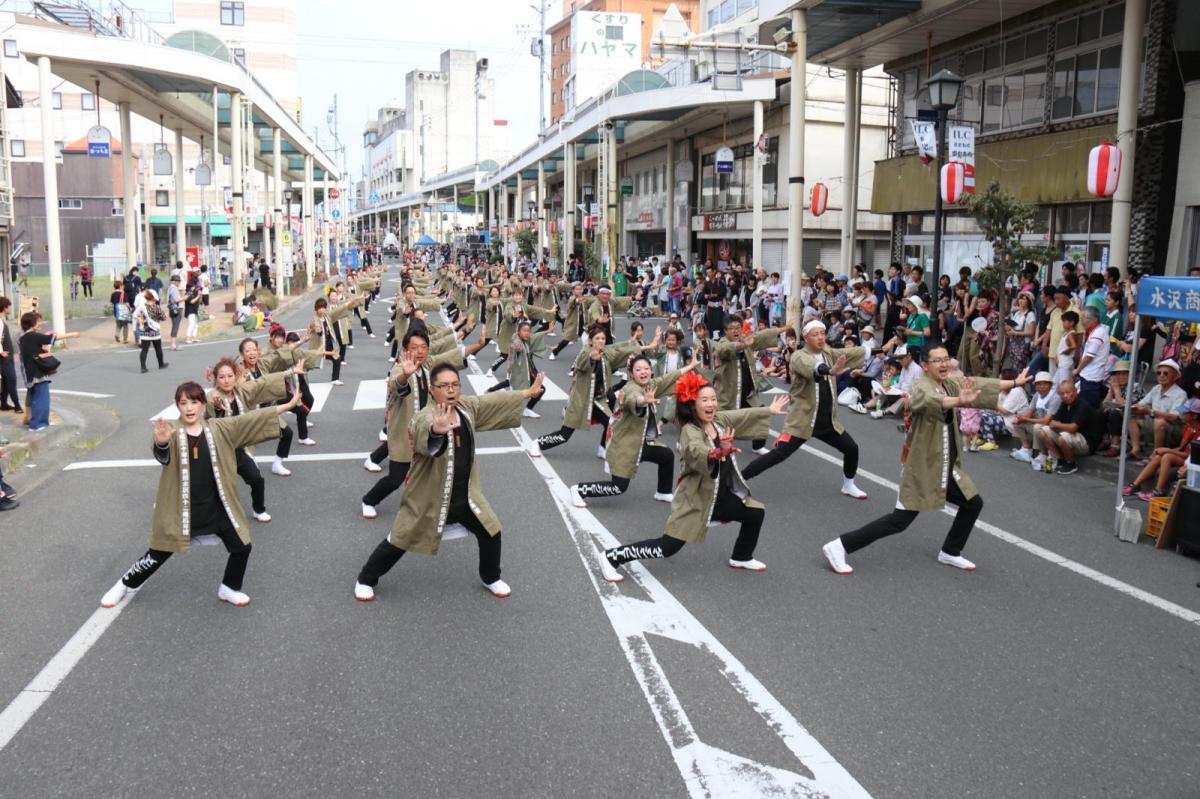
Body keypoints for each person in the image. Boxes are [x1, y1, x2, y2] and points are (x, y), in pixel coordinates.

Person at [822, 344, 1033, 575]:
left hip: (944, 466)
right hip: (922, 467)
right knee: (899, 521)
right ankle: (839, 546)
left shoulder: (948, 383)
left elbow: (977, 383)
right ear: (925, 365)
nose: (944, 364)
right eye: (937, 360)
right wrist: (959, 401)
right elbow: (933, 401)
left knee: (973, 504)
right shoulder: (921, 387)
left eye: (946, 359)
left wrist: (1015, 383)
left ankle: (950, 551)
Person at [98, 383, 301, 609]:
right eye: (183, 403)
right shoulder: (172, 430)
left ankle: (229, 587)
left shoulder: (219, 428)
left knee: (242, 546)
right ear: (177, 406)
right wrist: (161, 442)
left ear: (203, 404)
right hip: (183, 508)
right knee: (158, 553)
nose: (189, 408)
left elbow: (250, 420)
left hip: (217, 505)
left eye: (194, 402)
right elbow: (162, 454)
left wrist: (287, 406)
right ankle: (125, 583)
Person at [353, 365, 545, 602]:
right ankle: (366, 578)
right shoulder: (425, 416)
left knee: (491, 531)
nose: (451, 390)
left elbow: (490, 401)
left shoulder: (465, 408)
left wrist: (526, 393)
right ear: (432, 390)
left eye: (455, 384)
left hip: (465, 494)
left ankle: (490, 576)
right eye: (444, 386)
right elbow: (422, 430)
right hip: (429, 496)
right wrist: (436, 430)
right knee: (400, 538)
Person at [600, 373, 790, 580]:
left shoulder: (718, 421)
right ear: (692, 404)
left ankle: (741, 556)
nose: (711, 404)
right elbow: (696, 450)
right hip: (696, 499)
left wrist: (768, 410)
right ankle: (612, 557)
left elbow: (741, 415)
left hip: (719, 496)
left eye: (713, 399)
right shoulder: (690, 431)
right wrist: (717, 452)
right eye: (704, 400)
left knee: (754, 513)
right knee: (667, 547)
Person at [741, 319, 868, 499]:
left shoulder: (828, 352)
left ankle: (848, 485)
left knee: (851, 448)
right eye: (815, 334)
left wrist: (880, 350)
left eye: (822, 333)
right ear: (806, 337)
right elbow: (813, 367)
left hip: (826, 422)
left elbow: (849, 352)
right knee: (778, 454)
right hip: (803, 421)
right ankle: (738, 479)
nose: (820, 337)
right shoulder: (799, 356)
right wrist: (829, 371)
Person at [361, 326, 466, 519]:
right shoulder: (400, 369)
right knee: (395, 478)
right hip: (404, 434)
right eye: (415, 347)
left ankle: (435, 507)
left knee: (432, 471)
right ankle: (369, 500)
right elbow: (397, 385)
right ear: (406, 349)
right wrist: (405, 375)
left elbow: (449, 357)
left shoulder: (427, 368)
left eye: (424, 347)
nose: (420, 351)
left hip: (425, 431)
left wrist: (477, 343)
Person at [570, 353, 698, 506]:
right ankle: (580, 490)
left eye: (646, 368)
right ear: (631, 374)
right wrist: (643, 400)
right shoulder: (629, 389)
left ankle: (663, 491)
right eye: (638, 369)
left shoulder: (650, 385)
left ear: (651, 371)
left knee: (666, 456)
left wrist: (690, 366)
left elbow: (667, 378)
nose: (643, 372)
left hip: (641, 443)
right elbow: (633, 399)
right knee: (618, 487)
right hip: (624, 446)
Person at [532, 325, 651, 457]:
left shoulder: (605, 353)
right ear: (590, 341)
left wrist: (647, 347)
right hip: (581, 401)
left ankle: (602, 448)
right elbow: (581, 364)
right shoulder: (586, 352)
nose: (601, 341)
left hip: (598, 400)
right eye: (597, 338)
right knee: (564, 435)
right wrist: (591, 358)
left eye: (603, 338)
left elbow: (619, 350)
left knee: (611, 423)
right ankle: (538, 443)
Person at [1123, 398, 1200, 500]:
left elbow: (1191, 456)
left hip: (1193, 462)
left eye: (1185, 412)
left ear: (1194, 416)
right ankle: (1135, 485)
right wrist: (1163, 450)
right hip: (1184, 457)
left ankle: (1158, 491)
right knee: (1158, 457)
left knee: (1167, 457)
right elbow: (1181, 448)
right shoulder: (1188, 427)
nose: (1181, 414)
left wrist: (1167, 450)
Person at [18, 312, 81, 430]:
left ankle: (35, 421)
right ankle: (37, 424)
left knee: (34, 398)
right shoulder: (32, 336)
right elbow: (51, 339)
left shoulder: (23, 337)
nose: (40, 323)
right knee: (41, 399)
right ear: (31, 323)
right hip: (37, 373)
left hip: (30, 373)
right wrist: (72, 334)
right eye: (38, 321)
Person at [1034, 381, 1101, 475]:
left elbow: (1073, 428)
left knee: (1064, 437)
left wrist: (1059, 425)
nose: (1065, 396)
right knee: (1043, 431)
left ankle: (1071, 464)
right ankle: (1059, 460)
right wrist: (1060, 426)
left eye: (1068, 392)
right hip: (1071, 437)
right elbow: (1053, 422)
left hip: (1086, 443)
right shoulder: (1064, 404)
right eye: (1062, 393)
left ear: (1075, 391)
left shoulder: (1082, 405)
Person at [1128, 359, 1188, 461]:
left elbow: (1174, 417)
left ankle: (1156, 454)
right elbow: (1141, 404)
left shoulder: (1181, 394)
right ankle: (1136, 449)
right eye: (1159, 373)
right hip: (1156, 422)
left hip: (1175, 428)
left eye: (1165, 373)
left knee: (1159, 422)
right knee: (1130, 417)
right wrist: (1129, 407)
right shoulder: (1156, 388)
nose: (1161, 376)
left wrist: (1150, 411)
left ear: (1175, 376)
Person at [1010, 371, 1062, 467]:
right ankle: (1026, 449)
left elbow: (1046, 421)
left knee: (1037, 427)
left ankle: (1043, 453)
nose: (1041, 386)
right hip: (1040, 423)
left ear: (1050, 385)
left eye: (1044, 384)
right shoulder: (1037, 395)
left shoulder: (1055, 398)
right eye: (1039, 384)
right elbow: (1030, 412)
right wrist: (1020, 418)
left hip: (1052, 428)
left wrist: (1026, 419)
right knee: (1017, 422)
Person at [1073, 306, 1110, 409]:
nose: (1081, 322)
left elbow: (1089, 357)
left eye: (1083, 319)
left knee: (1088, 406)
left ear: (1094, 319)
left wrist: (1077, 370)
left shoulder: (1098, 334)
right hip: (1090, 374)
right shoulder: (1097, 331)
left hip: (1091, 376)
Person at [131, 289, 169, 373]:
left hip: (145, 331)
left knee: (144, 350)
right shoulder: (156, 307)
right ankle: (161, 364)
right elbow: (164, 318)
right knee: (158, 348)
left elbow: (134, 315)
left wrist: (141, 319)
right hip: (155, 331)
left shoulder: (141, 306)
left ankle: (143, 367)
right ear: (153, 298)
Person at [0, 297, 22, 413]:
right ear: (4, 307)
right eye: (9, 306)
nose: (10, 308)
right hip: (4, 357)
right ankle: (17, 405)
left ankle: (3, 403)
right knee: (11, 379)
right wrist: (1, 351)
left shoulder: (2, 320)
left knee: (5, 380)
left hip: (7, 356)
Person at [183, 277, 202, 343]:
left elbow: (199, 301)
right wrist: (198, 296)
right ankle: (188, 338)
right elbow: (192, 301)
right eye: (193, 287)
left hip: (195, 310)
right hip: (190, 311)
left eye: (194, 286)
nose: (194, 288)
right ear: (189, 287)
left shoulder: (194, 293)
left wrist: (200, 295)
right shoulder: (188, 293)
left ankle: (194, 337)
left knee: (195, 325)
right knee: (191, 324)